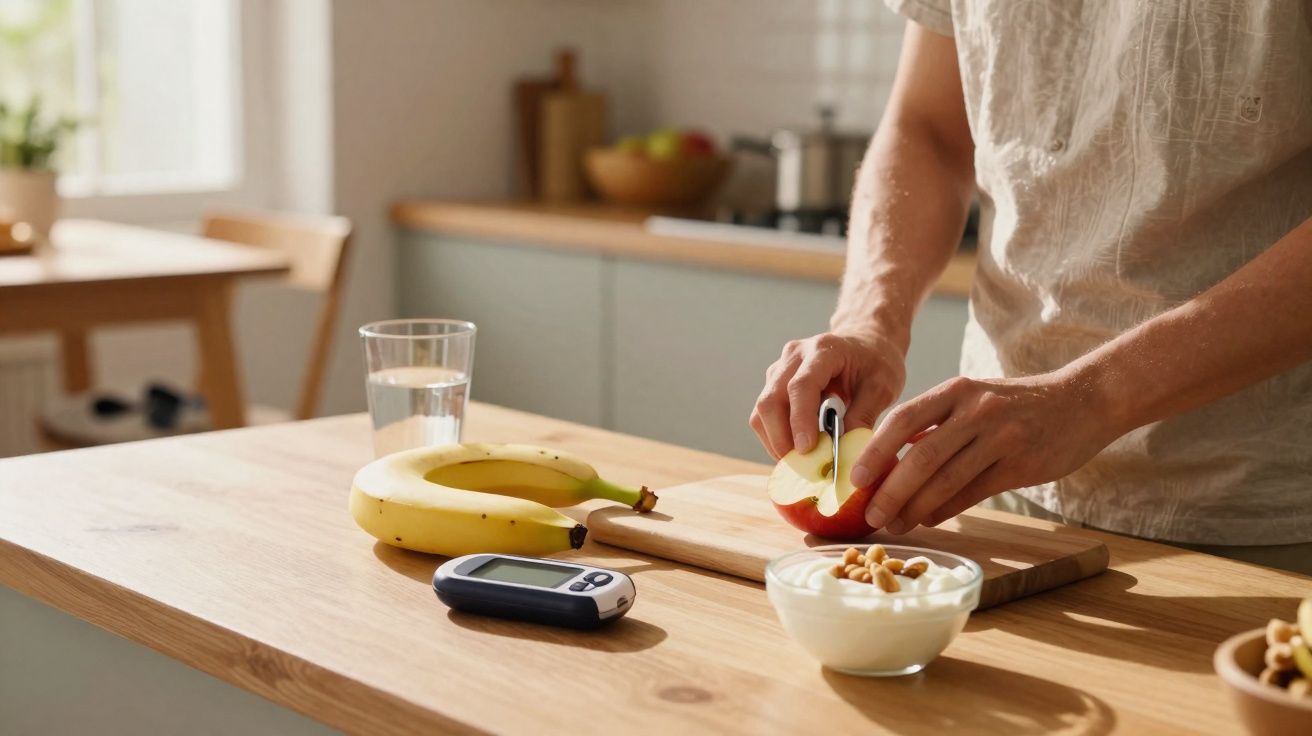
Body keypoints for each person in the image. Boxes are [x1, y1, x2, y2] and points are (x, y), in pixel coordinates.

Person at [750, 1, 1312, 573]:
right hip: (996, 484)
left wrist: (1090, 397)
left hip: (1258, 510)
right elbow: (929, 129)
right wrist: (870, 321)